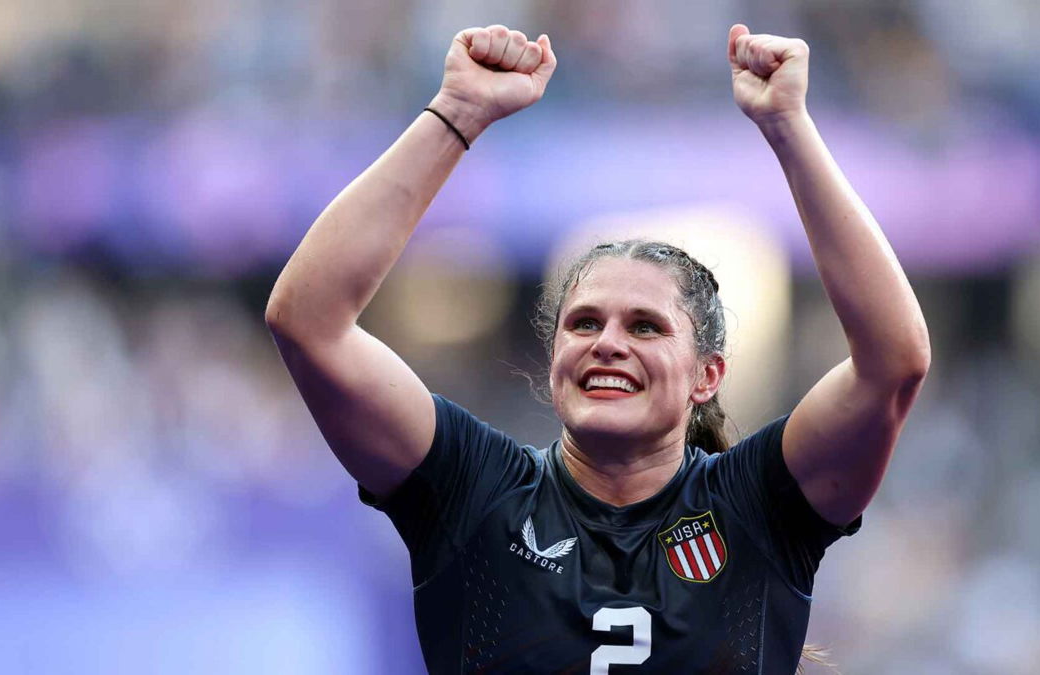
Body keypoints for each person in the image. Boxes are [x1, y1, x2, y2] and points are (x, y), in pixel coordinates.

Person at [265, 23, 929, 674]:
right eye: (584, 324)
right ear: (554, 360)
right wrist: (456, 114)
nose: (607, 343)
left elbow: (893, 363)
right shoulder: (477, 492)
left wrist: (789, 127)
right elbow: (308, 321)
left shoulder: (757, 506)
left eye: (645, 326)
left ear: (708, 375)